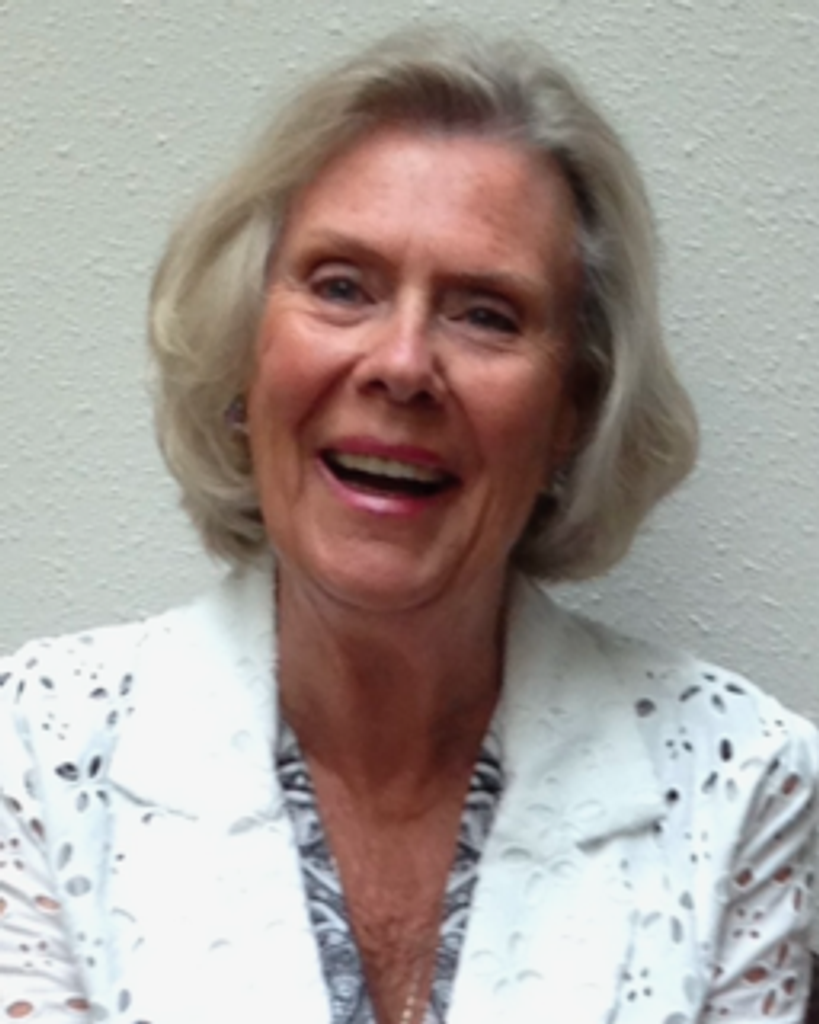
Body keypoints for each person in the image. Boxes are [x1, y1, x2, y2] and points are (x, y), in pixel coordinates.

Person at [0, 26, 816, 1024]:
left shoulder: (741, 785)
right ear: (245, 357)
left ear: (573, 410)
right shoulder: (36, 752)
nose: (401, 364)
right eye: (342, 287)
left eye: (486, 314)